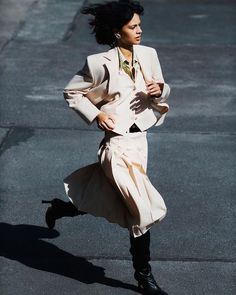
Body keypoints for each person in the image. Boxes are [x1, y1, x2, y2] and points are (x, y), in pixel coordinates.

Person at [42, 1, 170, 294]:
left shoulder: (149, 55)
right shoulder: (98, 63)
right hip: (117, 145)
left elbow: (162, 86)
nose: (140, 30)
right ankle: (144, 276)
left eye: (139, 25)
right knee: (140, 212)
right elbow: (72, 92)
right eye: (133, 27)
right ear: (116, 31)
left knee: (108, 197)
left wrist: (160, 90)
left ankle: (62, 208)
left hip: (141, 141)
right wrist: (97, 114)